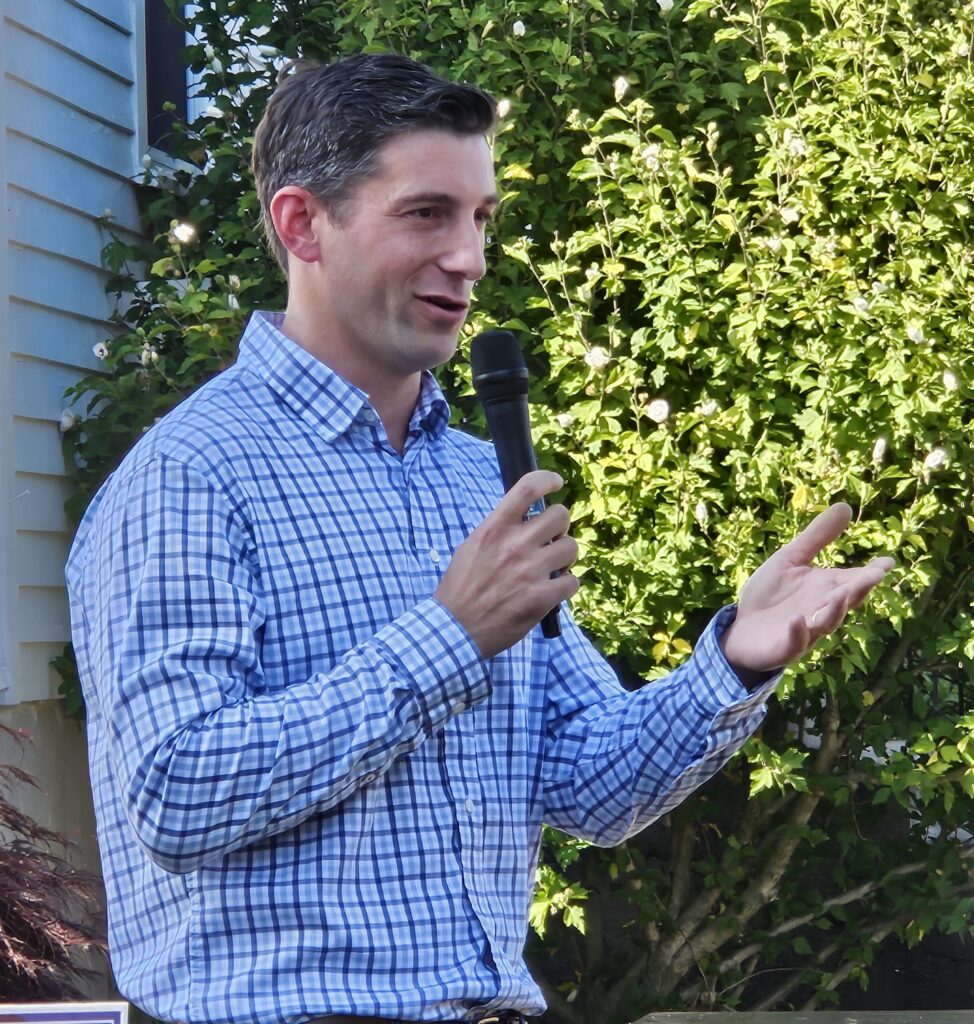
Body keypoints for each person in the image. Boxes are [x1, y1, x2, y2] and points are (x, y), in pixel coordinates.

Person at [66, 53, 894, 1024]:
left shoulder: (476, 477)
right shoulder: (186, 480)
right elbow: (177, 795)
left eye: (478, 218)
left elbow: (590, 783)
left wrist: (733, 661)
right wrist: (447, 638)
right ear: (302, 225)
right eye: (426, 213)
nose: (468, 257)